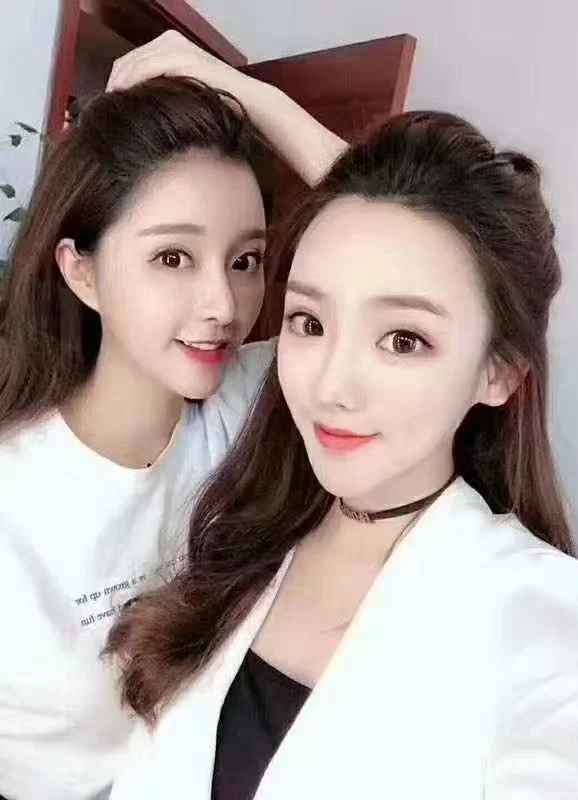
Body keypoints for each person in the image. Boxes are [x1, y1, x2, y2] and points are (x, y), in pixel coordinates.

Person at [107, 109, 578, 798]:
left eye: (403, 340)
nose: (331, 387)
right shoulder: (244, 524)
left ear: (499, 372)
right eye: (309, 322)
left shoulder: (540, 613)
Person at [0, 58, 345, 800]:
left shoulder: (251, 401)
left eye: (246, 259)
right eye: (173, 257)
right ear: (82, 272)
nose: (223, 303)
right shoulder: (14, 499)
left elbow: (418, 246)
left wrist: (256, 98)